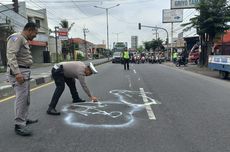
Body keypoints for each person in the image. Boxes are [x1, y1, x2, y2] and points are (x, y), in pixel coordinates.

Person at [7, 22, 38, 136]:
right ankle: (19, 125)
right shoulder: (17, 37)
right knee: (21, 98)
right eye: (35, 33)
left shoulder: (23, 39)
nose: (35, 35)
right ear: (30, 30)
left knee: (26, 98)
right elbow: (11, 55)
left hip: (24, 72)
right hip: (19, 72)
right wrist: (17, 73)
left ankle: (23, 119)